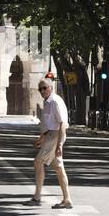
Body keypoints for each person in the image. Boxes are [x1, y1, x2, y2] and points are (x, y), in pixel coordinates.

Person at [27, 78, 71, 208]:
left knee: (38, 162)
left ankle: (37, 197)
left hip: (56, 137)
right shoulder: (47, 102)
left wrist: (59, 145)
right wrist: (42, 137)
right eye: (40, 89)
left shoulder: (55, 101)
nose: (42, 91)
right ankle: (67, 199)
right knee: (58, 168)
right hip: (50, 136)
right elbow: (50, 124)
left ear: (51, 88)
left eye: (44, 88)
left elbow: (62, 124)